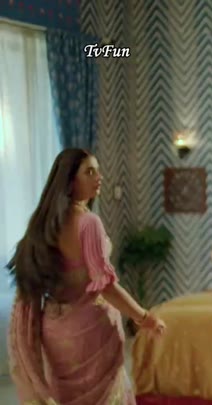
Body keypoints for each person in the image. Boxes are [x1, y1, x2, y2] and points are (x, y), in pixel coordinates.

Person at [5, 148, 166, 404]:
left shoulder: (42, 224)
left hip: (56, 334)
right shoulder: (88, 223)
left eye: (97, 170)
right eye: (89, 172)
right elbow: (106, 287)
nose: (98, 177)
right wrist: (144, 316)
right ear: (70, 181)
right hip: (91, 332)